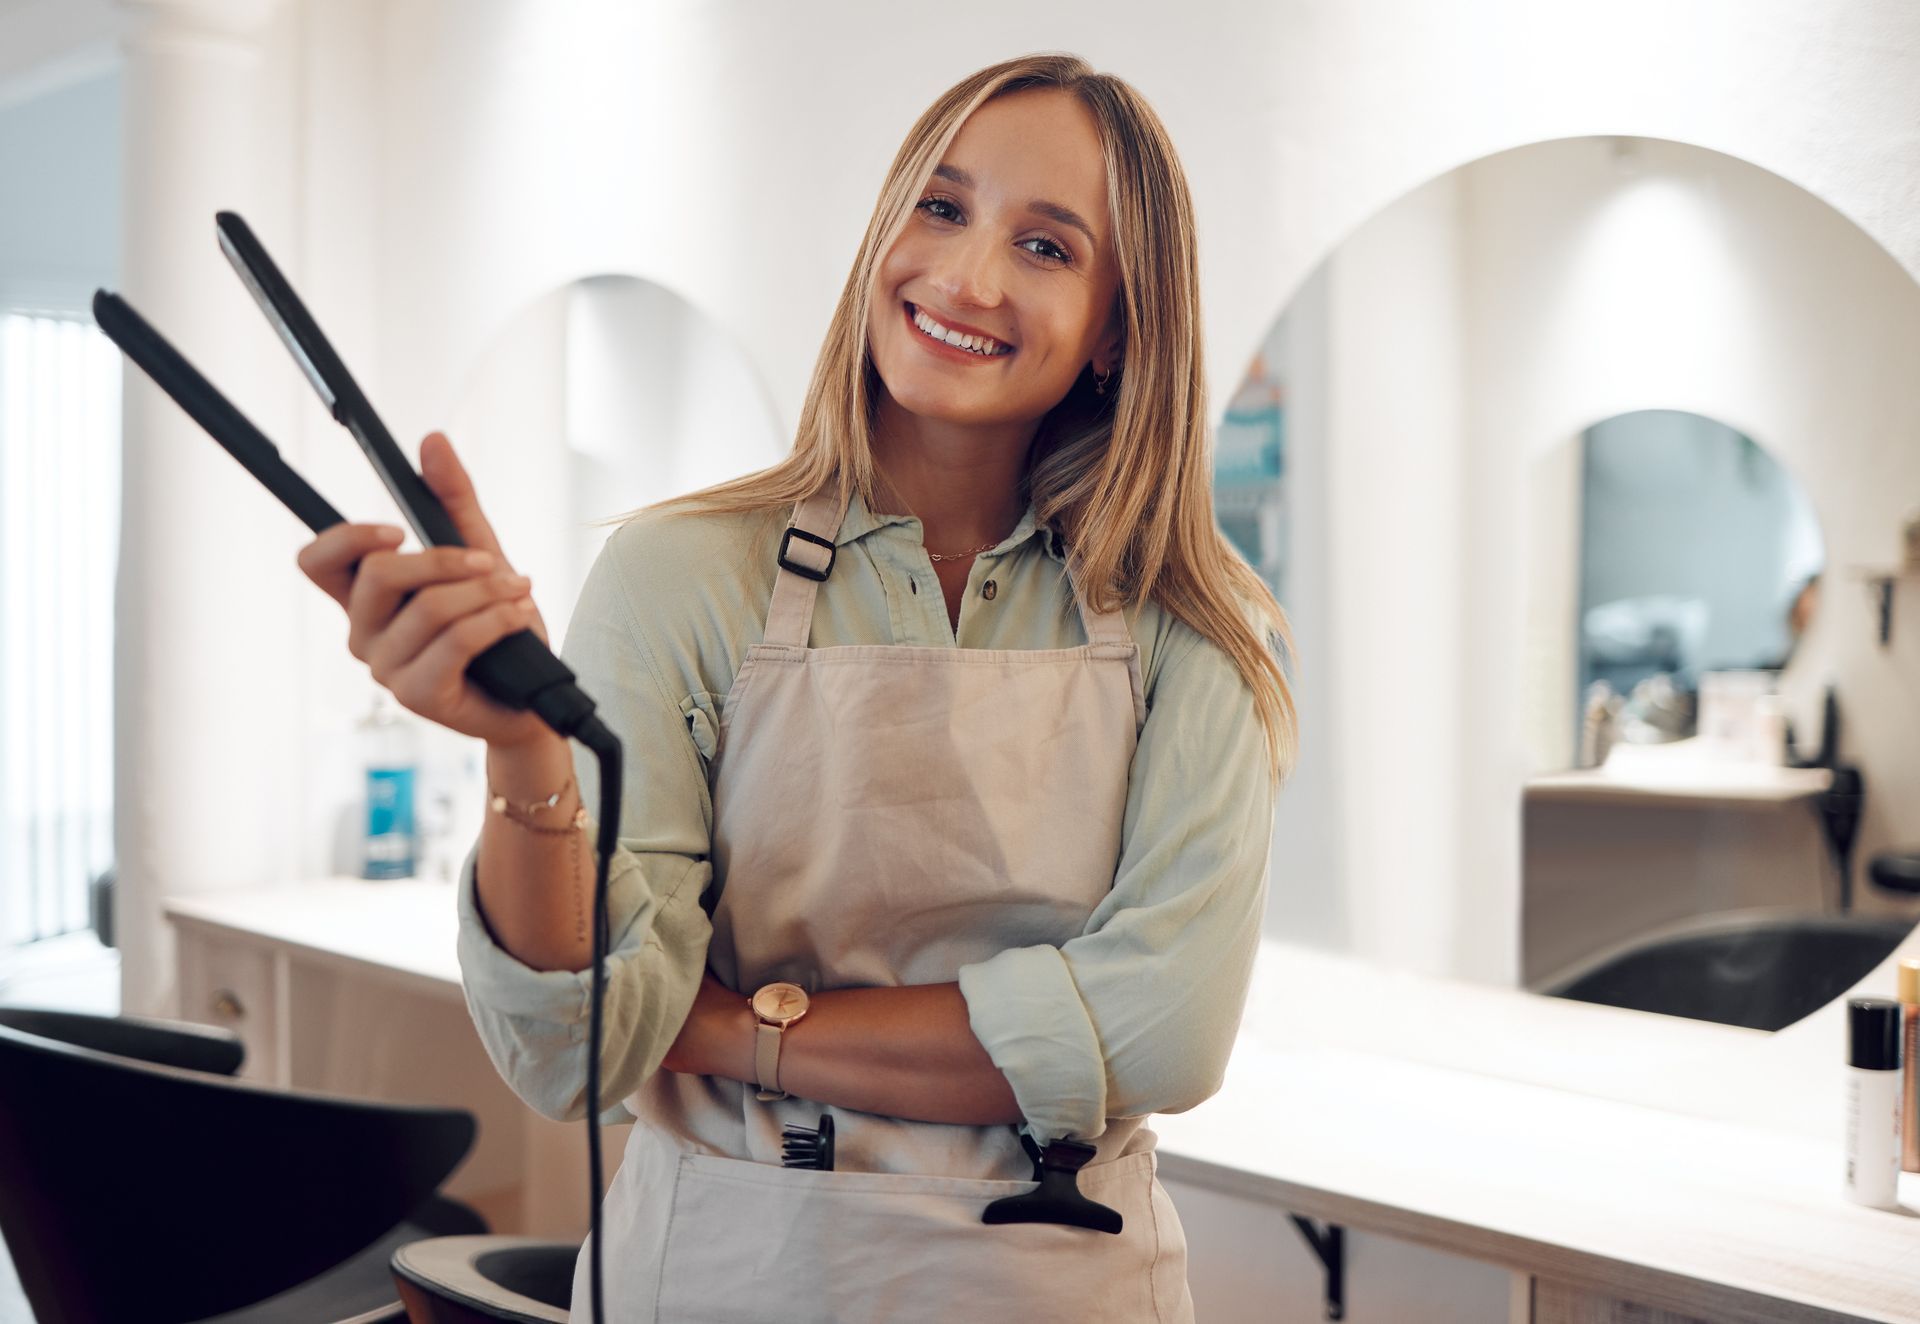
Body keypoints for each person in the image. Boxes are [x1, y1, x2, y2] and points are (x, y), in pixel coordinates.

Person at [298, 50, 1298, 1323]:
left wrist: (730, 1029)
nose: (968, 276)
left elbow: (1162, 1035)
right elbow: (577, 1047)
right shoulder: (677, 574)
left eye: (1047, 248)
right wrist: (525, 752)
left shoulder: (1196, 624)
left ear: (1118, 331)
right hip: (726, 1273)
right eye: (940, 208)